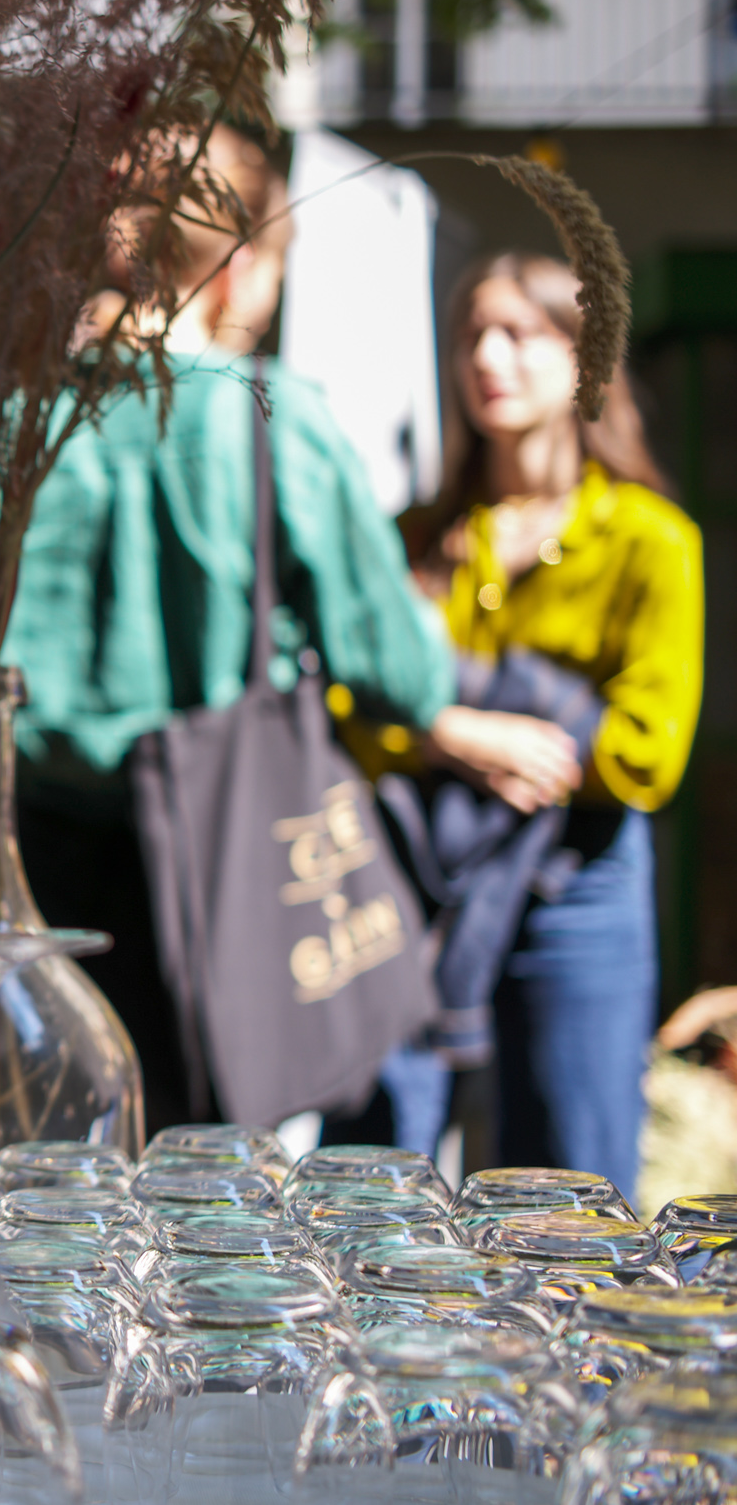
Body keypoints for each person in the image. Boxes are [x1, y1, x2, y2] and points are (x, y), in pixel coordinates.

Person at [1, 129, 460, 1131]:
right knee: (212, 1207)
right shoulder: (270, 417)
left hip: (35, 872)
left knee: (61, 1197)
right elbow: (402, 674)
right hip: (225, 862)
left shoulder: (4, 431)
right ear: (243, 265)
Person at [394, 253, 701, 1197]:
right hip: (423, 878)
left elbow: (645, 753)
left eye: (519, 333)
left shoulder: (649, 539)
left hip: (580, 876)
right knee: (386, 1172)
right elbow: (351, 711)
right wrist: (465, 736)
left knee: (571, 1181)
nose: (487, 356)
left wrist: (464, 723)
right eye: (471, 335)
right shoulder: (416, 538)